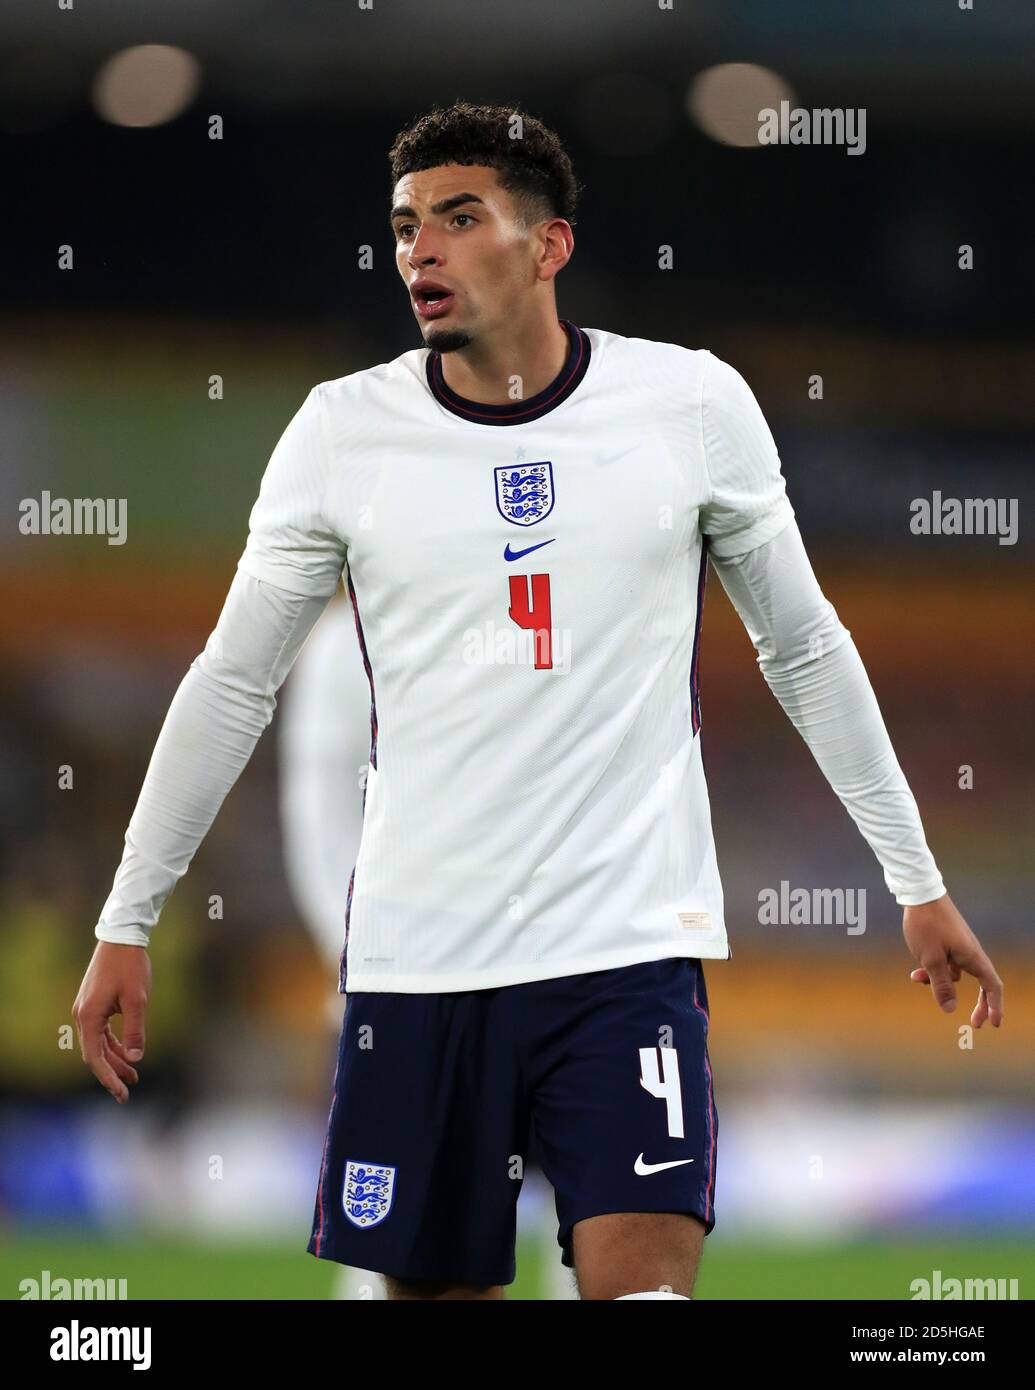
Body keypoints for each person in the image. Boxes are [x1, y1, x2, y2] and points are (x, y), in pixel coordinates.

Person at [75, 100, 1003, 1301]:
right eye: (408, 224)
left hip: (625, 956)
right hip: (417, 970)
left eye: (460, 220)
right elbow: (231, 681)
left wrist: (914, 877)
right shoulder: (341, 434)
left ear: (549, 245)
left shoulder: (691, 407)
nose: (422, 249)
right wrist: (128, 913)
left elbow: (806, 648)